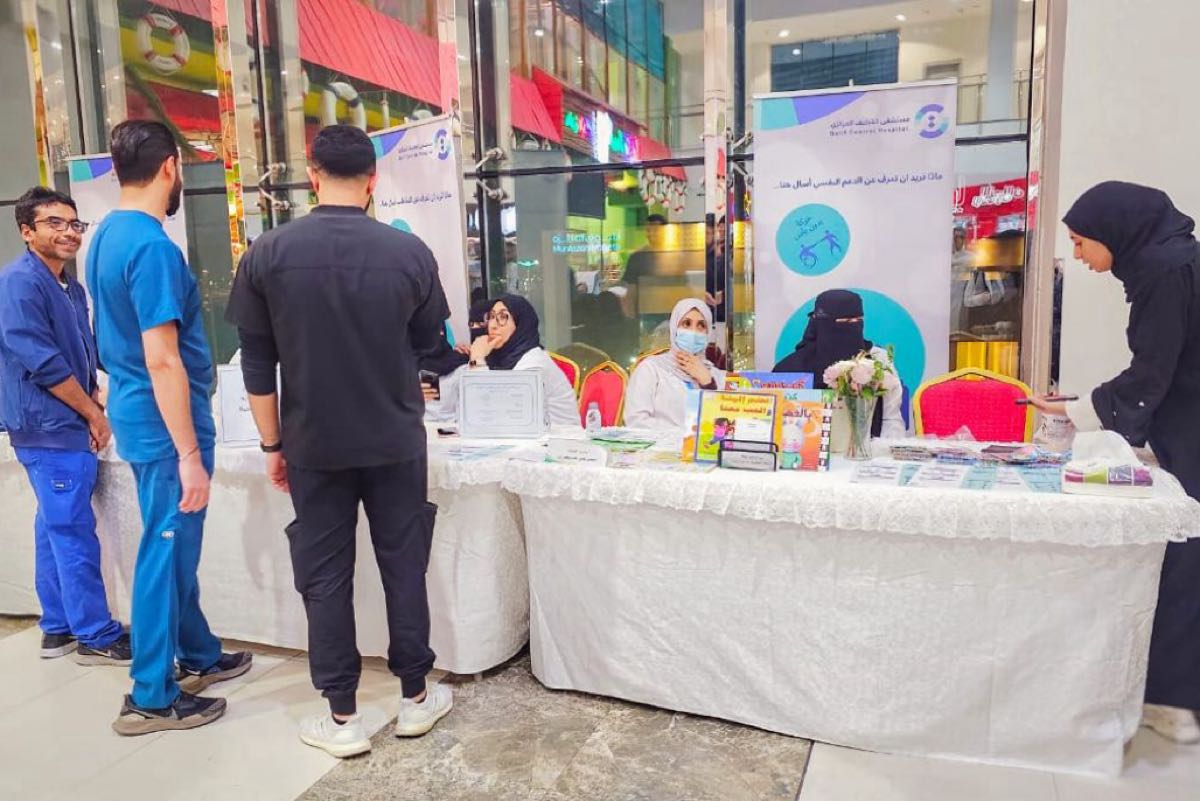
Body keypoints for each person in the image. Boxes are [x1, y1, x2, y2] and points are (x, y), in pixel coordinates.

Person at [226, 124, 453, 758]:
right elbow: (431, 347)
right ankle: (415, 697)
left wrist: (272, 445)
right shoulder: (409, 254)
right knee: (403, 564)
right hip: (395, 439)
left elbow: (257, 362)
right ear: (374, 179)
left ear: (312, 174)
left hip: (313, 444)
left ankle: (342, 715)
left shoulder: (267, 253)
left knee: (323, 576)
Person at [87, 121, 251, 736]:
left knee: (175, 545)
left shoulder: (107, 234)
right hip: (164, 423)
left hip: (141, 410)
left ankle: (198, 652)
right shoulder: (151, 247)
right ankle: (150, 694)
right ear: (170, 167)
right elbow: (162, 358)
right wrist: (188, 452)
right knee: (164, 548)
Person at [1031, 181, 1200, 744]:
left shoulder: (1165, 272)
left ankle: (1171, 701)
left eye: (1081, 242)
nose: (1077, 255)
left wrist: (1077, 409)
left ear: (1115, 232)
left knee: (1184, 554)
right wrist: (1086, 405)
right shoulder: (1172, 260)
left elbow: (1152, 373)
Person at [0, 187, 129, 665]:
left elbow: (82, 352)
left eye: (74, 224)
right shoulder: (19, 283)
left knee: (53, 524)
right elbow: (43, 362)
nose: (69, 232)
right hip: (47, 426)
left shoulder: (68, 286)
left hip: (69, 421)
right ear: (26, 231)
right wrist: (94, 415)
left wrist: (95, 396)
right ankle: (94, 633)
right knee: (72, 528)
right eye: (54, 223)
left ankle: (57, 626)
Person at [772, 289, 905, 438]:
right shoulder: (789, 369)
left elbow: (891, 418)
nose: (853, 327)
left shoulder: (877, 360)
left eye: (858, 321)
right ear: (822, 324)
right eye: (845, 322)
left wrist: (883, 450)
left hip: (868, 447)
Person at [452, 295, 580, 427]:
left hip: (559, 437)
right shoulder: (496, 358)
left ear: (520, 325)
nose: (493, 325)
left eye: (503, 317)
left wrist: (477, 360)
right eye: (491, 316)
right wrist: (475, 361)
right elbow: (464, 413)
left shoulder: (534, 364)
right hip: (521, 436)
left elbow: (492, 415)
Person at [625, 298, 725, 430]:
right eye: (686, 324)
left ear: (708, 333)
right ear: (674, 328)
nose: (693, 332)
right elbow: (636, 421)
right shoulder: (651, 369)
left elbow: (725, 425)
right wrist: (685, 435)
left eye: (701, 325)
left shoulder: (716, 376)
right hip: (660, 443)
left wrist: (708, 383)